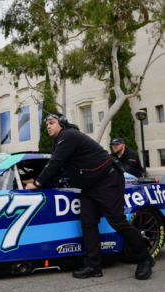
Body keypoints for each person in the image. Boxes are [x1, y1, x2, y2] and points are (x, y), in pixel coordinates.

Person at [25, 113, 154, 280]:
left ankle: (144, 258)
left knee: (117, 221)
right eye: (47, 124)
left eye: (52, 123)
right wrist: (32, 179)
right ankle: (93, 266)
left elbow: (55, 162)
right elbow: (58, 168)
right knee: (88, 223)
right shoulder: (60, 141)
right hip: (89, 186)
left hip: (108, 179)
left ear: (62, 124)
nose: (48, 126)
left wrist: (37, 184)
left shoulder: (68, 135)